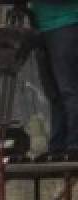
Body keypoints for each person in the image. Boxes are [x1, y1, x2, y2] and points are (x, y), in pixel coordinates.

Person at [33, 1, 78, 160]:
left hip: (66, 22)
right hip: (42, 26)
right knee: (54, 92)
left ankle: (74, 145)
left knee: (69, 89)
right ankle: (57, 146)